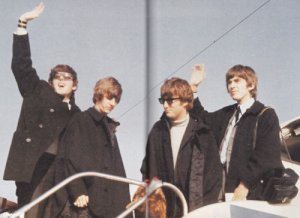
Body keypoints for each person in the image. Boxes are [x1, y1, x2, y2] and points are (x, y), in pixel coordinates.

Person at [3, 2, 81, 209]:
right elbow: (21, 65)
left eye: (68, 77)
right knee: (32, 208)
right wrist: (22, 24)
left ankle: (13, 207)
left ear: (75, 85)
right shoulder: (38, 91)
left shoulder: (77, 114)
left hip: (59, 169)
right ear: (51, 81)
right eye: (57, 77)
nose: (62, 80)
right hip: (33, 164)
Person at [190, 64, 283, 201]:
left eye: (237, 81)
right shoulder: (226, 114)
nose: (231, 85)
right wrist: (193, 87)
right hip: (219, 187)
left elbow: (266, 156)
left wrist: (244, 186)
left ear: (251, 85)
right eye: (229, 82)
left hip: (249, 192)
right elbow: (201, 118)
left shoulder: (265, 114)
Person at [140, 77, 222, 217]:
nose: (165, 105)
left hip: (195, 211)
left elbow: (213, 180)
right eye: (162, 101)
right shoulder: (157, 131)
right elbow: (148, 170)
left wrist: (204, 212)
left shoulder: (203, 134)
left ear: (185, 101)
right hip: (165, 211)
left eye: (170, 101)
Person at [54, 77, 131, 218]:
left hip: (109, 204)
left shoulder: (109, 126)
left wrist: (125, 204)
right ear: (99, 95)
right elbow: (68, 159)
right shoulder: (80, 120)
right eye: (110, 98)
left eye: (116, 100)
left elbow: (117, 168)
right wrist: (77, 191)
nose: (113, 104)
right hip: (86, 203)